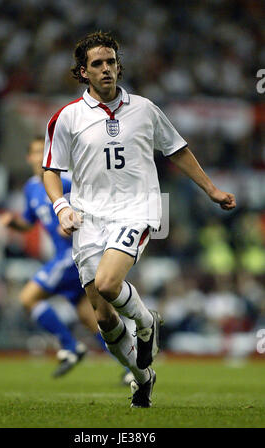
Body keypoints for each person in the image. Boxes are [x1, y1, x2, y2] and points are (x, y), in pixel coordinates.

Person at [42, 32, 236, 407]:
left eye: (111, 62)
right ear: (83, 72)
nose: (106, 69)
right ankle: (142, 375)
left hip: (137, 208)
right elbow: (50, 169)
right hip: (88, 217)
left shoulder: (145, 109)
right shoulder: (67, 117)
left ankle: (147, 324)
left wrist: (211, 189)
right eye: (97, 64)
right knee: (103, 316)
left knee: (109, 283)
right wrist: (61, 207)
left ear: (118, 65)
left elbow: (176, 149)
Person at [1, 136, 133, 383]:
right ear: (29, 158)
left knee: (28, 297)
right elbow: (30, 221)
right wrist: (13, 224)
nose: (41, 158)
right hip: (67, 259)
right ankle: (130, 367)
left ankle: (70, 346)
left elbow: (95, 207)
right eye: (36, 153)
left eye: (45, 152)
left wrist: (75, 220)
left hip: (74, 255)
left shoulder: (68, 181)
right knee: (95, 320)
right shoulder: (31, 188)